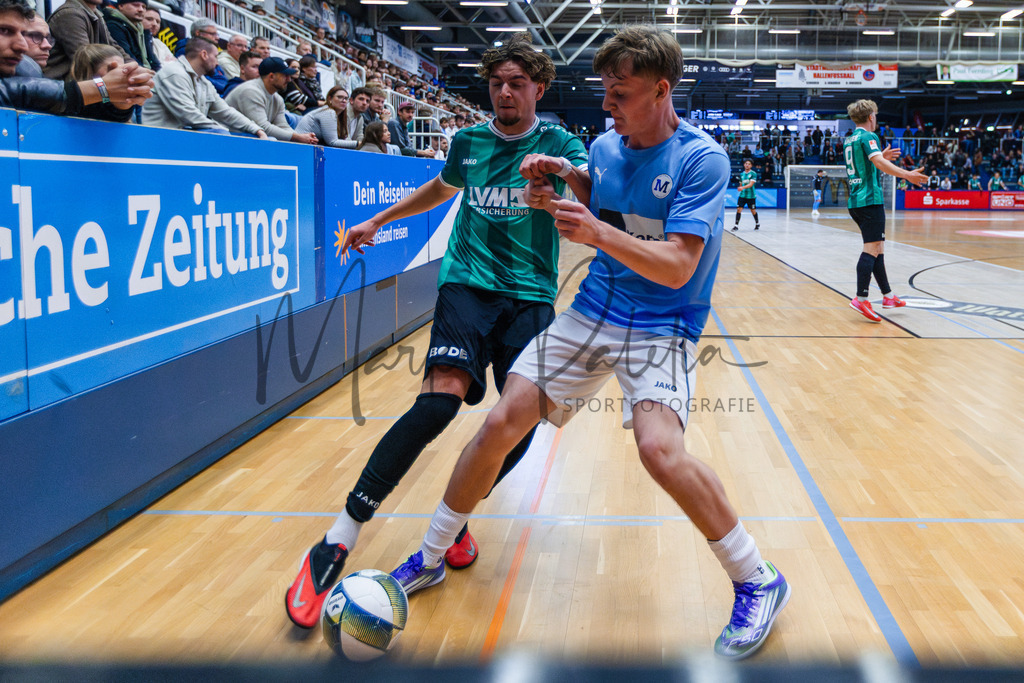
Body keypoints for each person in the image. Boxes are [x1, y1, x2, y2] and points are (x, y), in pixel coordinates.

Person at [387, 25, 789, 662]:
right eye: (605, 89)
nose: (607, 104)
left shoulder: (701, 159)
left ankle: (757, 577)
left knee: (660, 451)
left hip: (663, 323)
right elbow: (601, 198)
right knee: (500, 422)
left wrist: (595, 232)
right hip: (593, 310)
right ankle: (433, 555)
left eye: (620, 93)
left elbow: (678, 265)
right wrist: (565, 177)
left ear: (661, 91)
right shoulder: (603, 147)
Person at [284, 32, 589, 630]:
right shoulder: (469, 142)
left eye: (517, 83)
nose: (505, 91)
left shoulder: (559, 141)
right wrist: (377, 218)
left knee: (520, 422)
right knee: (438, 403)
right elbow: (440, 188)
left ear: (539, 89)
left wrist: (560, 174)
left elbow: (592, 192)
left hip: (530, 293)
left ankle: (455, 520)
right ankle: (338, 538)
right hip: (467, 285)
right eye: (497, 82)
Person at [843, 99, 927, 322]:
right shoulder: (869, 136)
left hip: (856, 201)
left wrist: (881, 157)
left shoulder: (850, 138)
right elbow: (878, 164)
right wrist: (906, 174)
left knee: (878, 248)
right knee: (871, 249)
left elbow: (870, 162)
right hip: (870, 201)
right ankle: (860, 299)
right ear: (871, 117)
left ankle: (888, 295)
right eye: (876, 116)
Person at [0, 0, 152, 112]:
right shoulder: (69, 13)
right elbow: (86, 56)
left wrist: (124, 95)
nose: (22, 45)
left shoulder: (27, 72)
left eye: (22, 33)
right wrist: (103, 88)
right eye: (5, 30)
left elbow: (81, 112)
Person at [141, 36, 267, 137]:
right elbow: (189, 116)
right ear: (204, 54)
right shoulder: (174, 74)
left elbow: (225, 112)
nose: (218, 63)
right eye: (216, 57)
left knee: (256, 137)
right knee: (220, 134)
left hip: (181, 136)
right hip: (158, 138)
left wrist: (256, 129)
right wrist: (226, 132)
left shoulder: (203, 81)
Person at [224, 56, 317, 143]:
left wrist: (301, 138)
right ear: (271, 76)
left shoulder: (277, 98)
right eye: (285, 75)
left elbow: (282, 126)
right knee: (271, 140)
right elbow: (263, 127)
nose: (289, 80)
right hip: (225, 136)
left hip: (248, 136)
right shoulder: (250, 91)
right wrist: (297, 137)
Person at [44, 0, 131, 81]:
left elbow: (114, 47)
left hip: (81, 82)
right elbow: (85, 58)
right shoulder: (70, 13)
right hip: (64, 85)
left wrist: (135, 69)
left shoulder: (95, 13)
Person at [103, 0, 158, 72]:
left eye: (144, 7)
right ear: (121, 6)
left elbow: (152, 60)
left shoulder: (141, 30)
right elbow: (125, 57)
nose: (141, 9)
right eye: (136, 5)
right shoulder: (113, 27)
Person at [732, 158, 759, 231]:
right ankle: (736, 225)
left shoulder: (753, 173)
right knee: (739, 209)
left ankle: (757, 223)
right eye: (746, 164)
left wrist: (742, 187)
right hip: (742, 195)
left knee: (753, 210)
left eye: (749, 164)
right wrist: (740, 187)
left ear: (751, 165)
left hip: (751, 196)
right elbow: (741, 184)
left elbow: (751, 184)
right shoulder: (742, 174)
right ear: (744, 165)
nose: (747, 165)